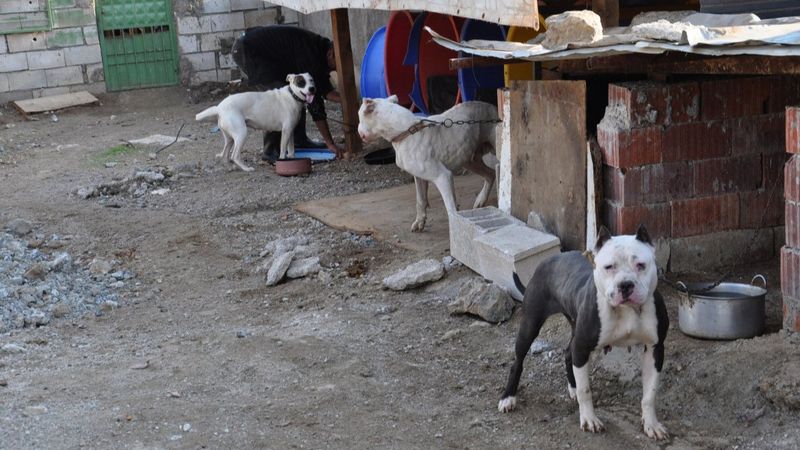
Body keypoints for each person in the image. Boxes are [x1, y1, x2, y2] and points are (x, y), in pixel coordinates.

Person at [231, 25, 345, 160]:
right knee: (280, 99)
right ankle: (270, 150)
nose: (336, 70)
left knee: (297, 96)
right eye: (337, 66)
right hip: (248, 49)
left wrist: (348, 100)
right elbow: (314, 101)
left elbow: (325, 90)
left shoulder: (320, 52)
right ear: (331, 54)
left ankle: (299, 140)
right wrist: (330, 143)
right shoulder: (311, 54)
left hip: (266, 55)